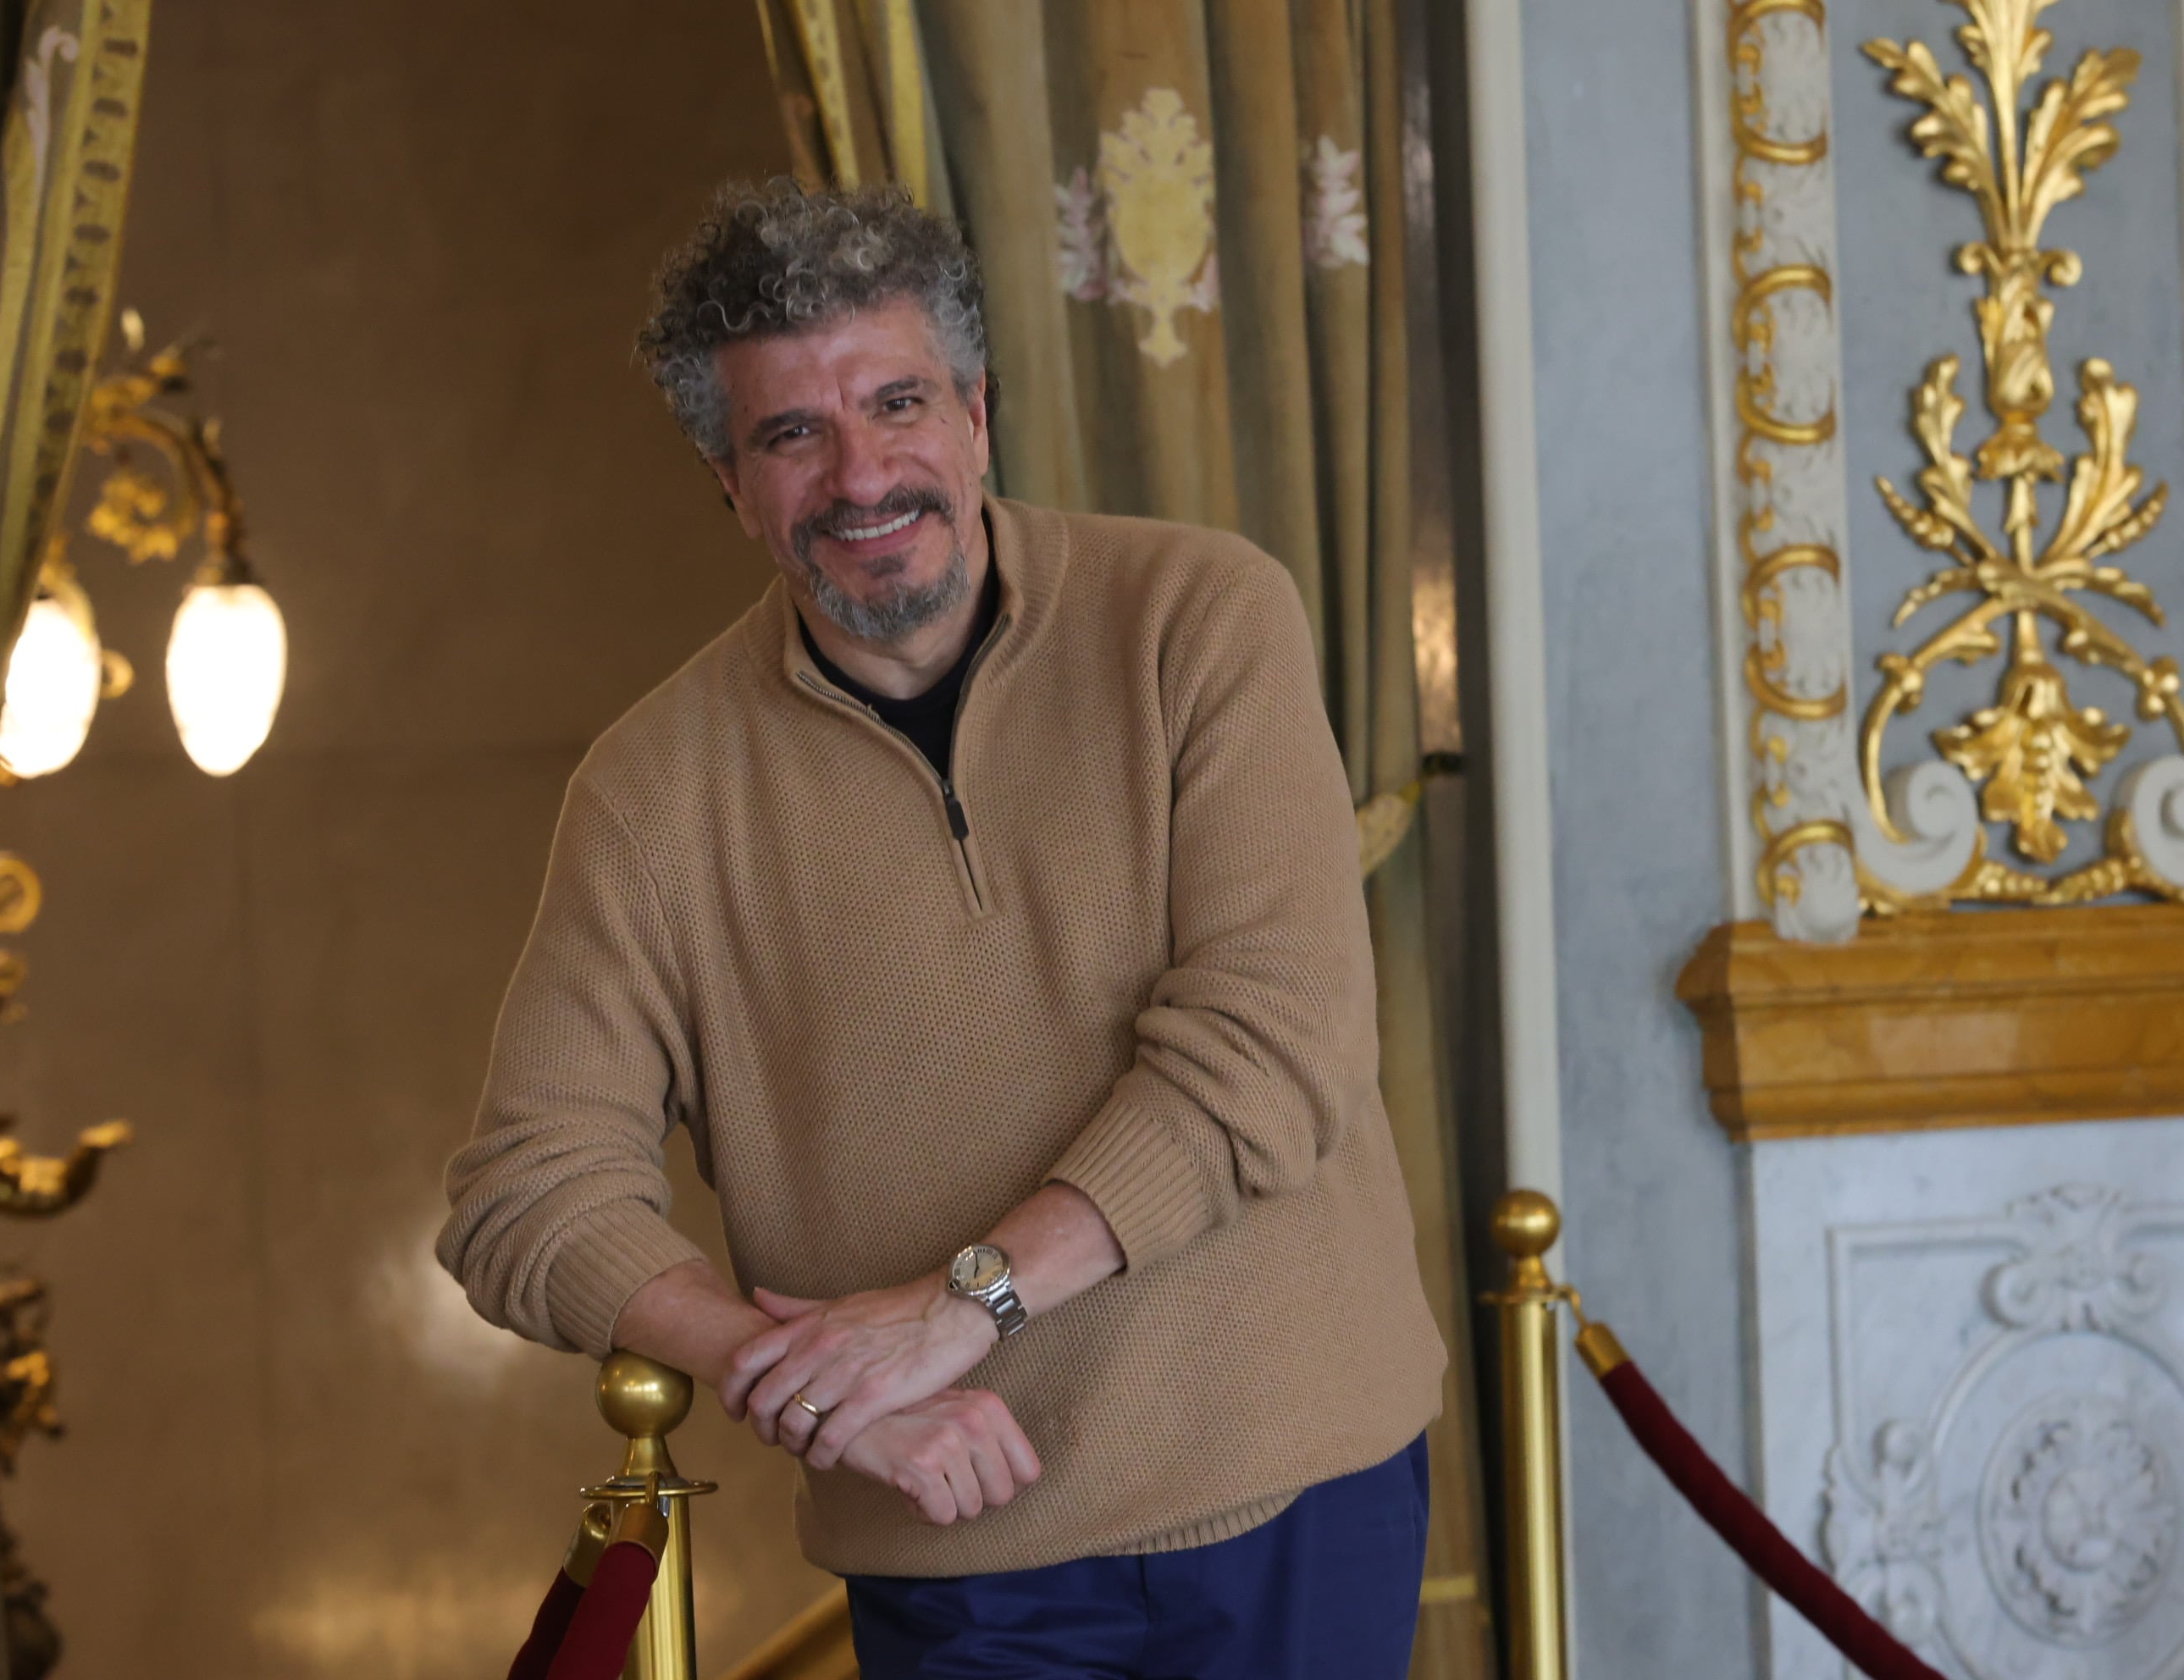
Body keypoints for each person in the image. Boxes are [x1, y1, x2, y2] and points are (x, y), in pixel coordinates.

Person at [438, 178, 1446, 1679]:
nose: (862, 474)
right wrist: (809, 1376)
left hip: (1296, 1480)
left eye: (898, 402)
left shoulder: (1201, 617)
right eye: (792, 433)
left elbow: (1276, 1042)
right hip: (954, 1555)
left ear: (976, 412)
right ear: (729, 479)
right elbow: (524, 1195)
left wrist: (961, 1306)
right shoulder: (649, 796)